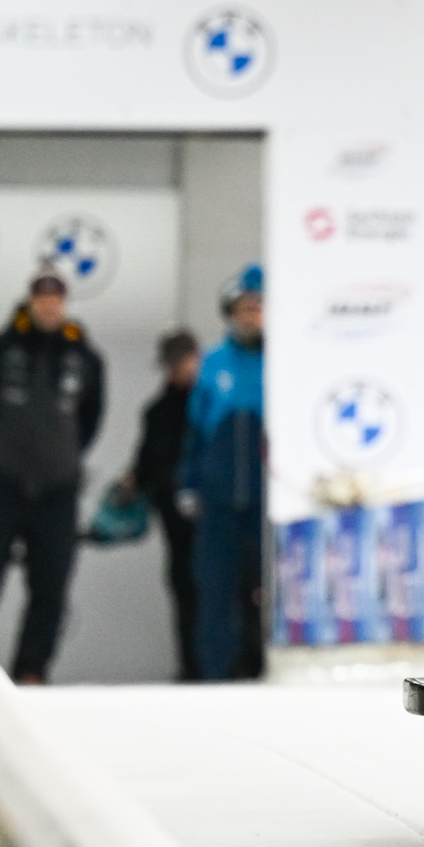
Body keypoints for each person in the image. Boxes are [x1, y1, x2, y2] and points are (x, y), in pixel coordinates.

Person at [0, 269, 105, 684]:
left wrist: (60, 460)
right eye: (42, 298)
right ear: (30, 301)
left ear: (65, 303)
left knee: (50, 589)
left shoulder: (84, 358)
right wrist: (0, 456)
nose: (49, 306)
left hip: (57, 492)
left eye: (56, 299)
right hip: (1, 487)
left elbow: (88, 423)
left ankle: (31, 672)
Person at [181, 269, 265, 681]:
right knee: (215, 591)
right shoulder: (213, 363)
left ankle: (262, 669)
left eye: (260, 307)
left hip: (268, 504)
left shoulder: (287, 362)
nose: (253, 316)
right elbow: (195, 430)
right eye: (245, 308)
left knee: (266, 595)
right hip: (219, 502)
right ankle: (215, 675)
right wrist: (190, 483)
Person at [122, 329, 200, 681]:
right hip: (175, 516)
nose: (183, 370)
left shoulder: (211, 404)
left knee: (224, 589)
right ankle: (192, 665)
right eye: (177, 364)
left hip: (216, 514)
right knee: (184, 586)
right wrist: (135, 480)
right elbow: (148, 458)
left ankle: (228, 663)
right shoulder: (158, 411)